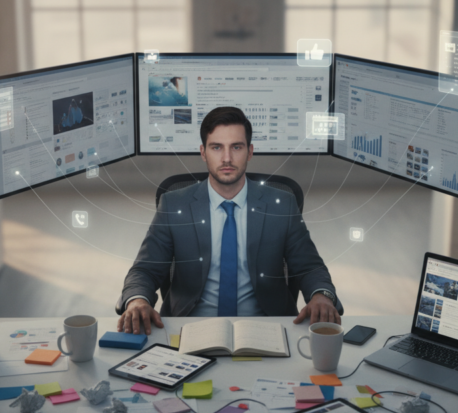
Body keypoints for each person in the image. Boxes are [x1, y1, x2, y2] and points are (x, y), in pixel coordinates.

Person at [117, 107, 342, 334]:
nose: (227, 158)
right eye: (217, 147)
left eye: (236, 147)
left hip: (267, 328)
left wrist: (321, 295)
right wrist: (137, 300)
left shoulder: (283, 204)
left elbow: (310, 267)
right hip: (189, 328)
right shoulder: (174, 204)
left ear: (250, 151)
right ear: (203, 152)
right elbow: (145, 270)